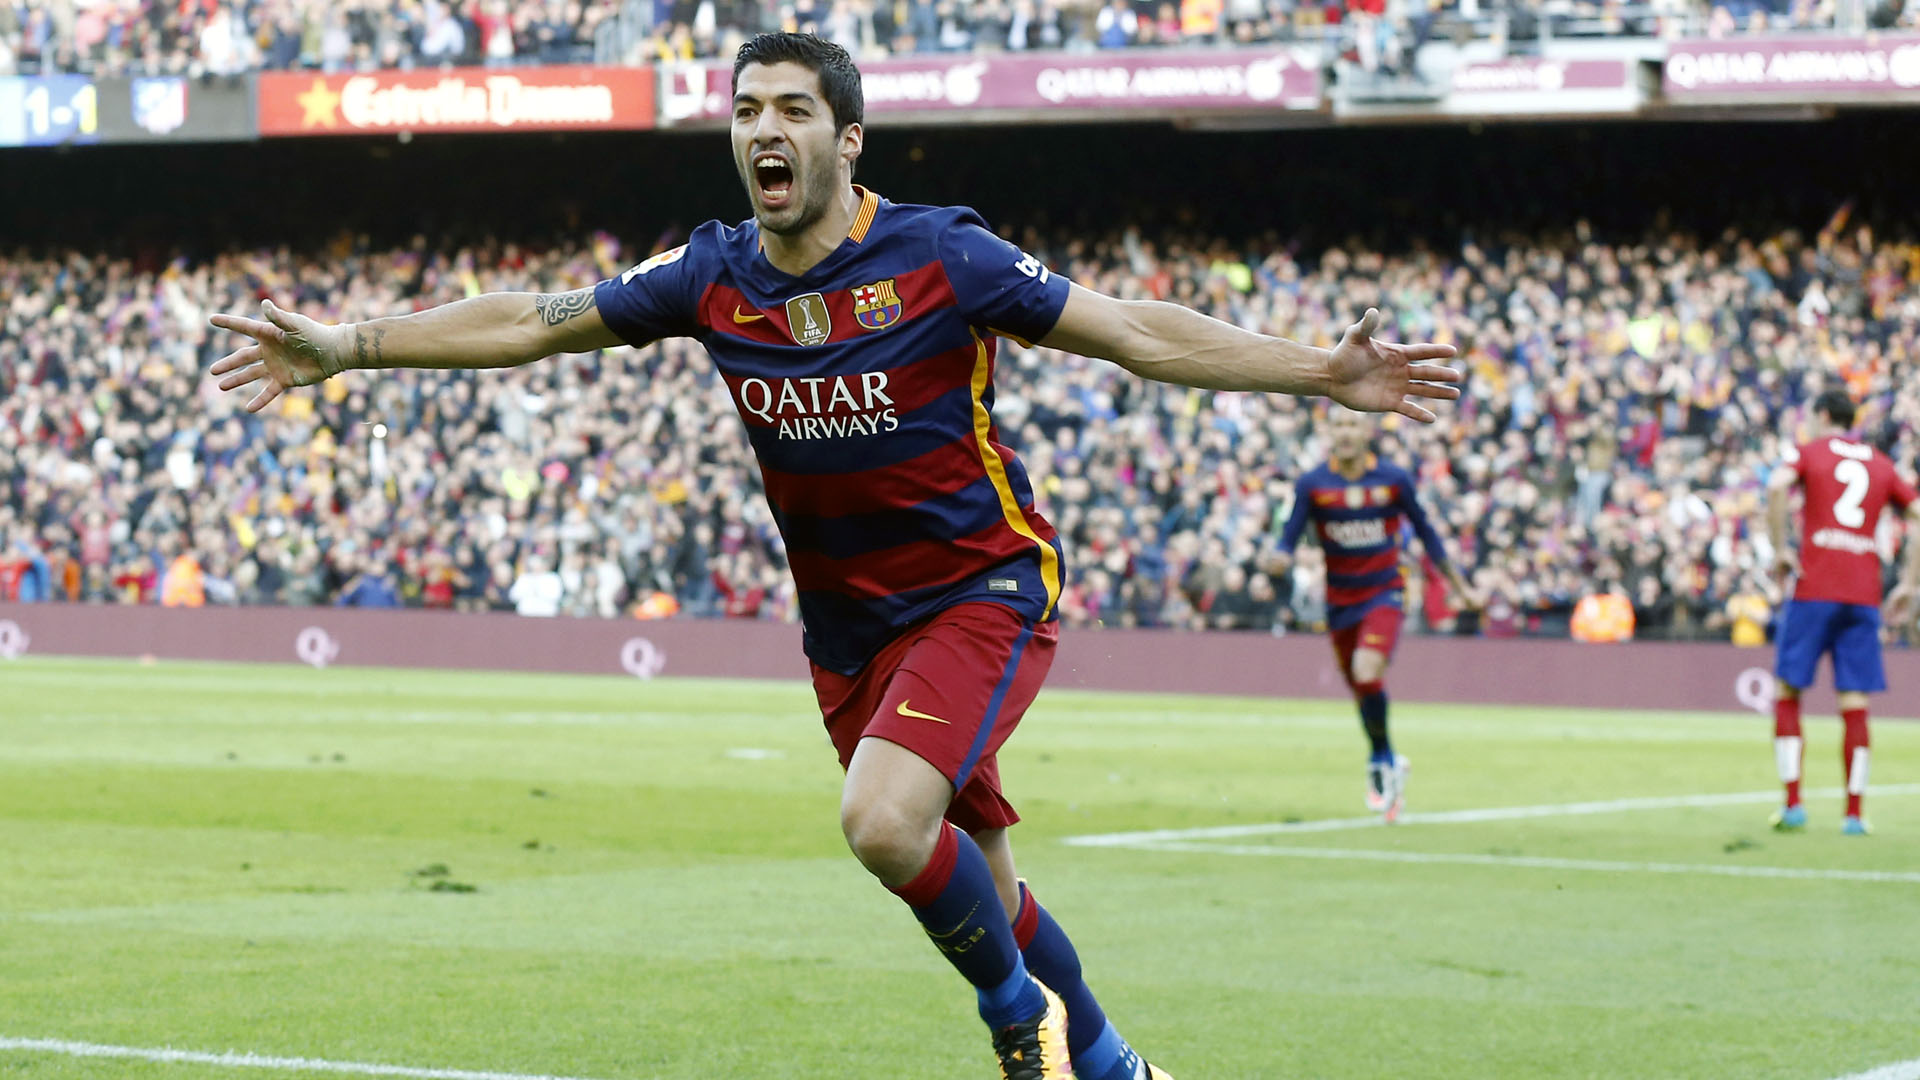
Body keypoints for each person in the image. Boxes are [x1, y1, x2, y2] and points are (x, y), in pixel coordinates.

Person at [207, 32, 1461, 1080]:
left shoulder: (942, 255)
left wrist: (1319, 372)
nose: (766, 129)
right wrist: (350, 344)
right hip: (850, 634)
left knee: (881, 821)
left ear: (848, 140)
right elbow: (535, 320)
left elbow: (1133, 330)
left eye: (794, 110)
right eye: (747, 109)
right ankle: (1116, 1063)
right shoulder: (710, 273)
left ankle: (1017, 1022)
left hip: (981, 590)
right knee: (986, 882)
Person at [1269, 408, 1479, 822]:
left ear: (1366, 431)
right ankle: (1386, 756)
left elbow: (1427, 534)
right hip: (1339, 602)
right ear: (1329, 433)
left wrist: (1461, 588)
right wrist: (1278, 556)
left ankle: (1380, 761)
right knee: (1362, 688)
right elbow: (1288, 537)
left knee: (1366, 671)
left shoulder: (1392, 480)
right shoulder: (1313, 484)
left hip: (1384, 593)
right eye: (1338, 425)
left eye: (1353, 424)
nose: (1346, 432)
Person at [1764, 389, 1920, 837]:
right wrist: (1909, 582)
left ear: (1822, 415)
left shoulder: (1811, 452)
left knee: (1788, 689)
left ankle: (1794, 804)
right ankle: (1854, 814)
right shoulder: (1880, 463)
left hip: (1814, 587)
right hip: (1863, 594)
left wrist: (1780, 548)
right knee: (1854, 701)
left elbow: (1776, 485)